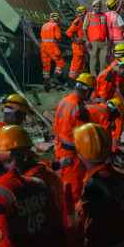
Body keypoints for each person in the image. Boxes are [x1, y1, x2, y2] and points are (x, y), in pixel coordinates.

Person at [74, 122, 124, 247]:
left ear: (80, 155)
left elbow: (81, 227)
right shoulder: (122, 178)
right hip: (122, 242)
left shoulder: (92, 188)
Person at [53, 73, 95, 209]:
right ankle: (72, 222)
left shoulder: (64, 100)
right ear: (86, 90)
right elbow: (82, 137)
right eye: (91, 91)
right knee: (73, 190)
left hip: (60, 149)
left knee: (64, 184)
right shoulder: (80, 108)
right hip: (73, 156)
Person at [40, 12, 65, 89]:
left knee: (46, 65)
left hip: (43, 47)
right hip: (52, 46)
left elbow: (41, 36)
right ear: (57, 18)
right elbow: (58, 37)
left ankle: (46, 82)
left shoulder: (44, 25)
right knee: (60, 63)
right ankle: (55, 80)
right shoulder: (55, 25)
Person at [83, 4, 109, 75]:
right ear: (93, 7)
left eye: (99, 6)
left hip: (103, 42)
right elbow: (84, 29)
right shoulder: (89, 15)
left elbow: (106, 28)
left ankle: (102, 76)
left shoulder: (104, 15)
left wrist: (108, 40)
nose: (98, 8)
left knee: (103, 61)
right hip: (93, 42)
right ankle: (93, 77)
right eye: (96, 6)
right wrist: (87, 41)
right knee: (93, 60)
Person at [66, 6, 89, 80]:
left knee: (81, 64)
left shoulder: (84, 20)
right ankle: (71, 80)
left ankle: (79, 79)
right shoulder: (78, 21)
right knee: (76, 64)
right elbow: (68, 32)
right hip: (77, 47)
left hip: (82, 46)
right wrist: (76, 40)